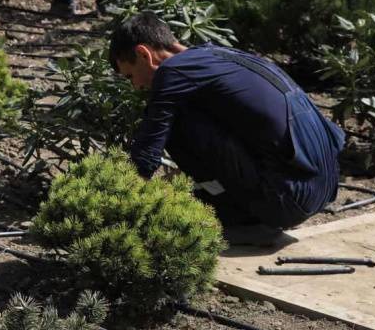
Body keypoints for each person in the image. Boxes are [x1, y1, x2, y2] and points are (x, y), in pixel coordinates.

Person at [110, 13, 345, 245]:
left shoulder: (172, 72)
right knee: (191, 111)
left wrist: (116, 216)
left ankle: (240, 221)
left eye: (130, 76)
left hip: (288, 199)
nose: (137, 86)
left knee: (176, 121)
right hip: (324, 187)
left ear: (144, 54)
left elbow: (145, 156)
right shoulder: (218, 55)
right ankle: (233, 208)